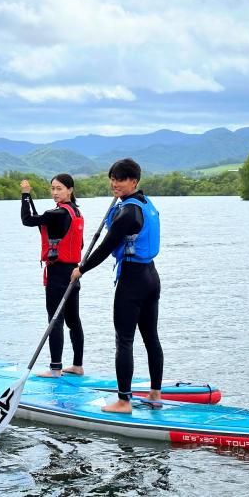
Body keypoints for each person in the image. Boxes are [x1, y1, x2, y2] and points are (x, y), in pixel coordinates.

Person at [70, 158, 162, 413]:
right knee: (150, 337)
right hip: (151, 277)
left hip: (133, 280)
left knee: (124, 340)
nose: (114, 183)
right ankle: (155, 393)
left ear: (134, 181)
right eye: (112, 179)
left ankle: (123, 401)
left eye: (120, 179)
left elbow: (105, 248)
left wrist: (81, 269)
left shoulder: (128, 212)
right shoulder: (145, 204)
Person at [21, 174, 85, 378]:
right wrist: (30, 198)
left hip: (58, 274)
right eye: (52, 189)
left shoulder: (56, 213)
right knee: (73, 320)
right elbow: (79, 243)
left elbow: (27, 220)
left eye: (59, 189)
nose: (55, 193)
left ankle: (55, 368)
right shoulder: (75, 212)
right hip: (74, 272)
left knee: (55, 319)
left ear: (70, 190)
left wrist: (24, 195)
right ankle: (77, 365)